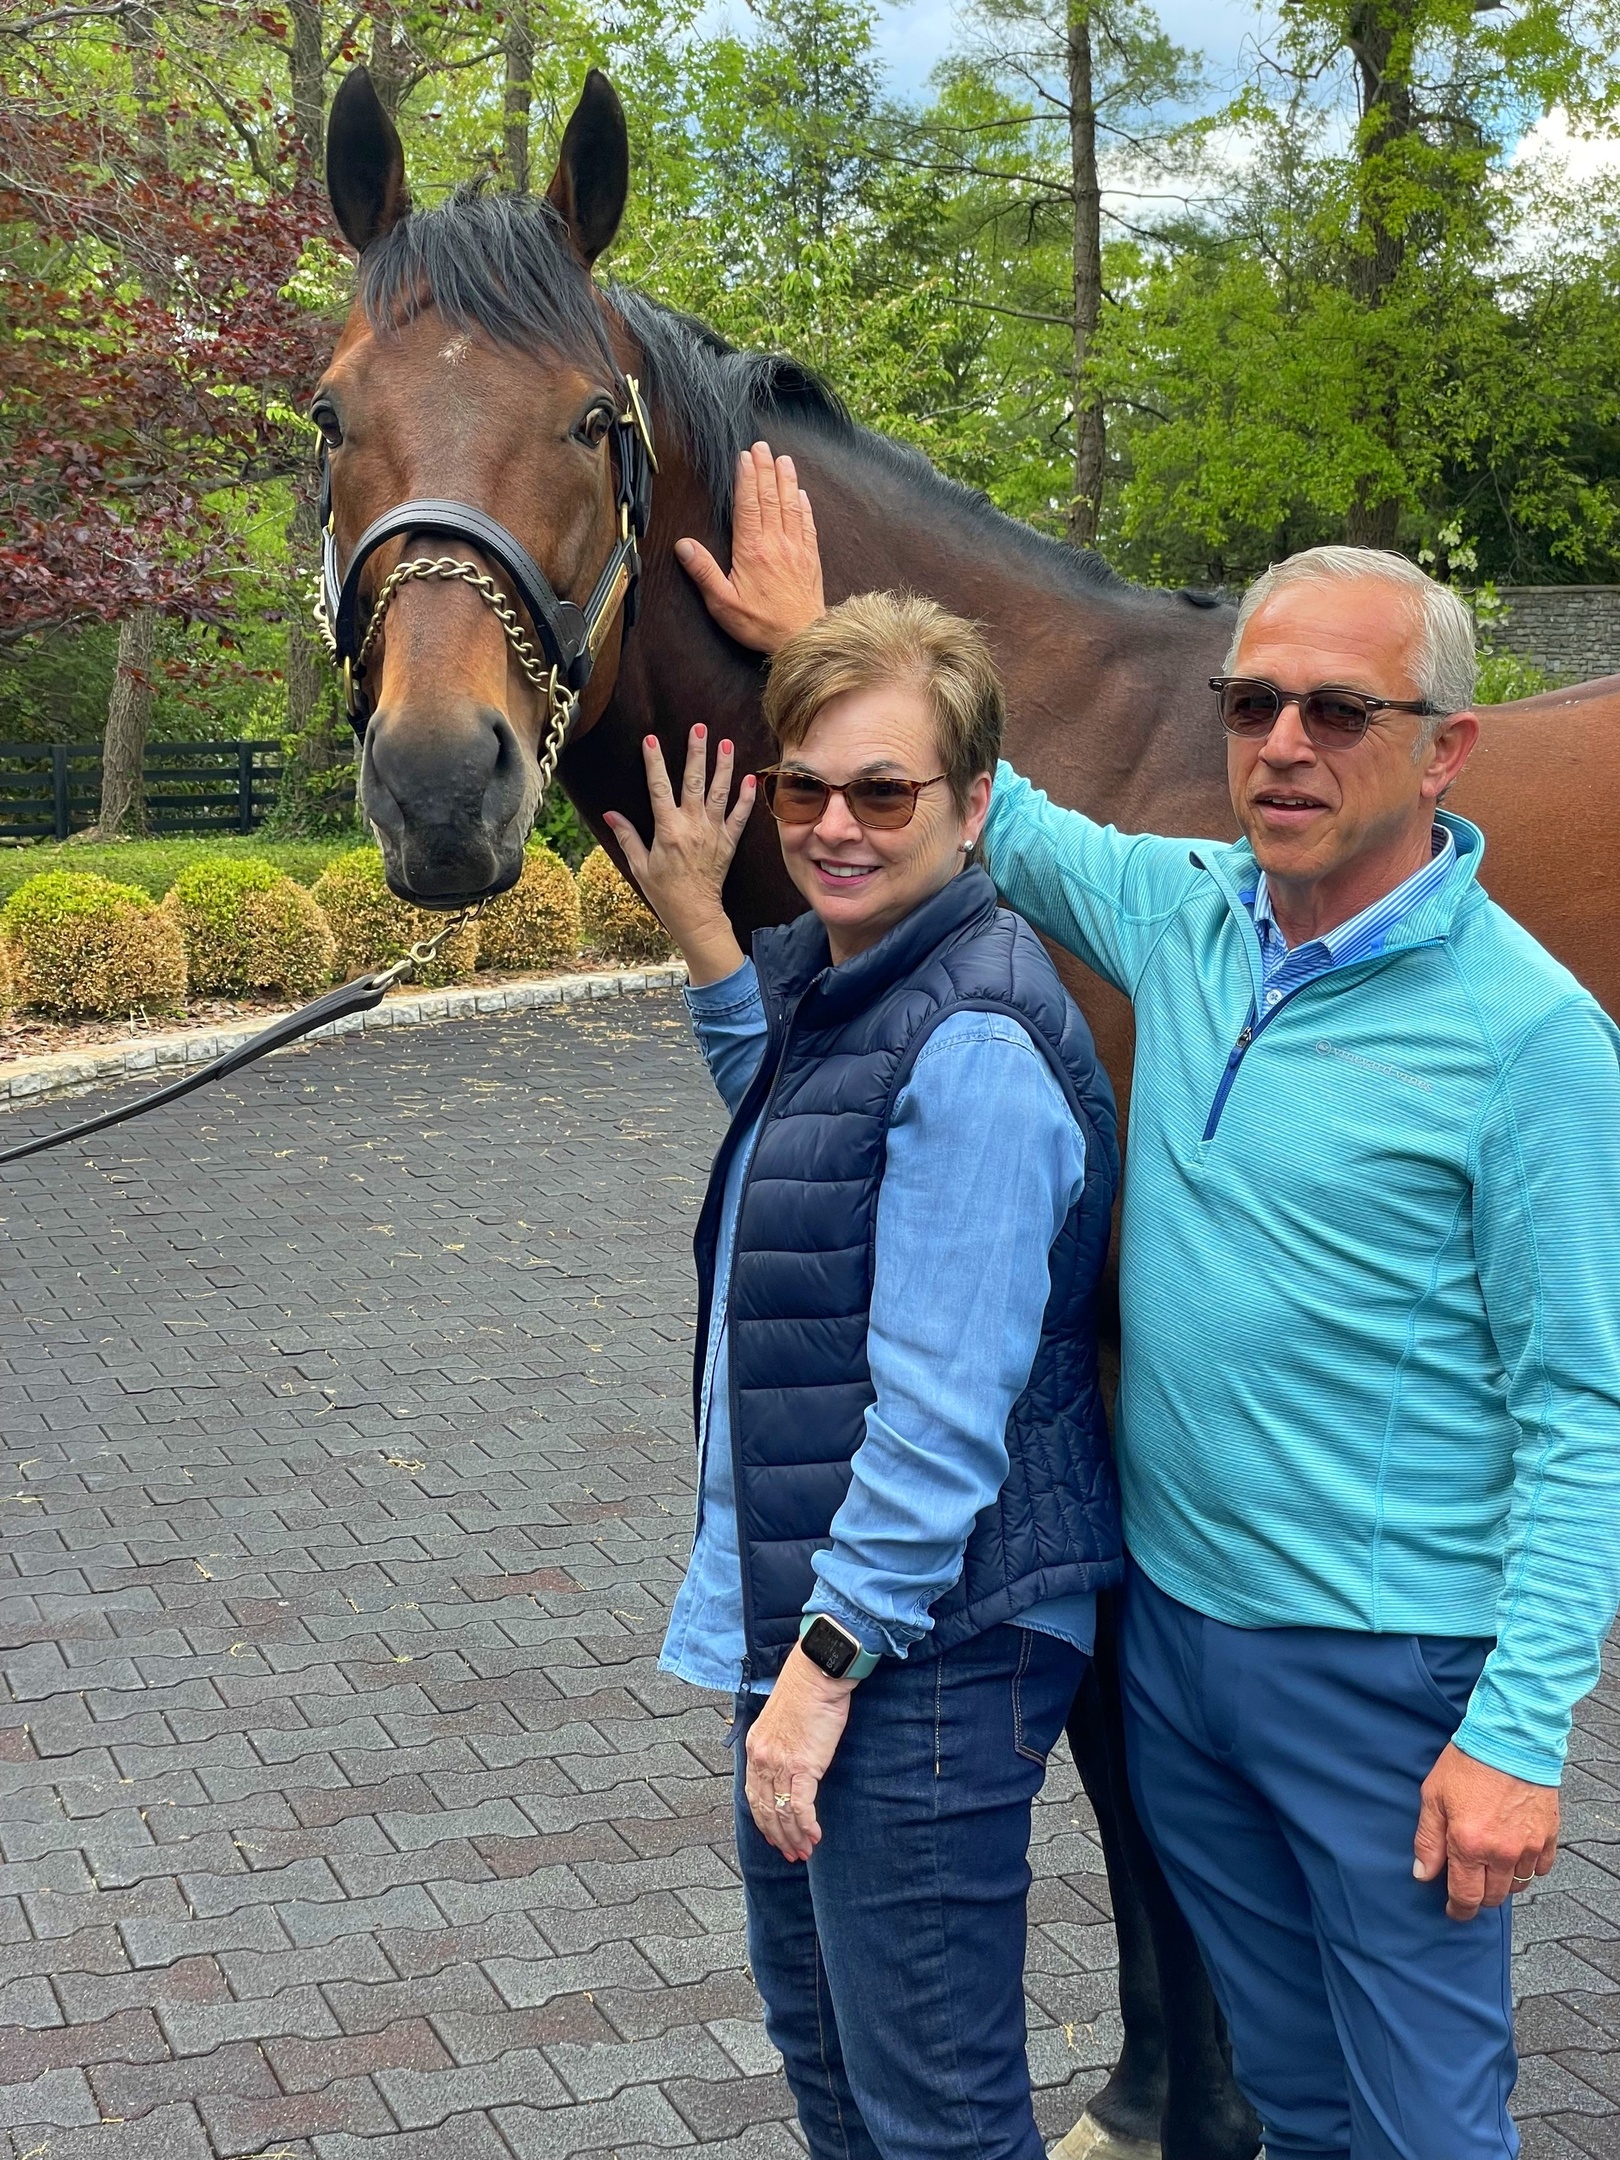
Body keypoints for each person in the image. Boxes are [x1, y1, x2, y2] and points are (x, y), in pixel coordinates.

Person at [679, 453, 1620, 2160]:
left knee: (1424, 2125)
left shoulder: (1531, 1040)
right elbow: (984, 804)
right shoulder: (1188, 917)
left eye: (1341, 711)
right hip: (1178, 1653)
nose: (1284, 744)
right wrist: (818, 638)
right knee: (1291, 2100)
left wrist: (1518, 1730)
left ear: (1444, 749)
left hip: (1381, 1664)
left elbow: (1583, 1412)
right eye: (1254, 703)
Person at [601, 592, 1120, 2160]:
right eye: (807, 788)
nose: (835, 827)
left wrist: (819, 1673)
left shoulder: (971, 1044)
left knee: (935, 2116)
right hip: (843, 1624)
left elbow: (940, 1428)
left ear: (974, 806)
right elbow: (800, 1121)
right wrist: (702, 926)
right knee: (837, 2077)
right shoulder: (867, 989)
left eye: (884, 794)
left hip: (925, 1646)